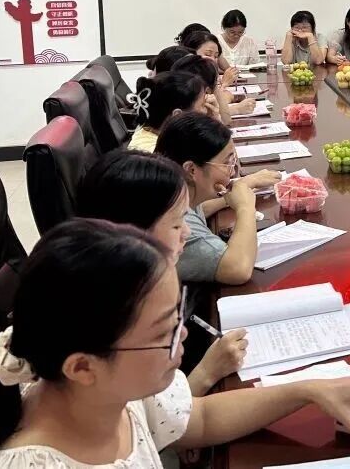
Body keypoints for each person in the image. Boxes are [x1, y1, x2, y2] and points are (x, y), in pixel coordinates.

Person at [0, 219, 350, 469]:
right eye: (164, 332)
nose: (183, 334)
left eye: (177, 317)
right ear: (83, 367)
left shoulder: (112, 393)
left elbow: (198, 418)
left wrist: (310, 390)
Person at [75, 150, 248, 396]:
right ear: (133, 232)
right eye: (177, 224)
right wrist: (207, 372)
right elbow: (160, 415)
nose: (187, 232)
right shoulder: (117, 321)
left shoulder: (127, 280)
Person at [155, 112, 280, 285]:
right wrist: (245, 208)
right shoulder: (177, 226)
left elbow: (201, 208)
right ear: (191, 170)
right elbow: (238, 269)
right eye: (227, 163)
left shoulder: (172, 190)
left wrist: (241, 187)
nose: (232, 171)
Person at [129, 72, 208, 152]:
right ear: (178, 116)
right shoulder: (153, 153)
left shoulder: (169, 137)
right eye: (203, 105)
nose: (206, 111)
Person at [171, 53, 258, 121]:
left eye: (216, 56)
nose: (213, 58)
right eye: (208, 54)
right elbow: (226, 120)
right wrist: (220, 86)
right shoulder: (194, 110)